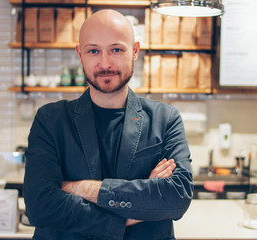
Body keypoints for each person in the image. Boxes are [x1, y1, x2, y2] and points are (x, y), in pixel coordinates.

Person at [23, 9, 193, 240]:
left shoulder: (165, 119)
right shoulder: (51, 120)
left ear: (134, 52)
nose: (105, 63)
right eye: (93, 51)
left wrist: (78, 188)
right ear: (79, 54)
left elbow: (176, 198)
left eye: (116, 49)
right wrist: (139, 203)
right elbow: (39, 205)